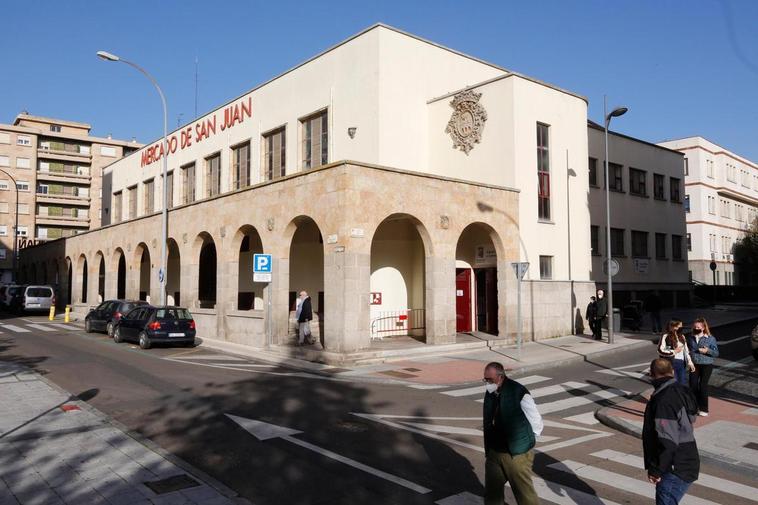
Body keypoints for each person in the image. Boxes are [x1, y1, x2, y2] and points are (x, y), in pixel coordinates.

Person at [482, 362, 542, 505]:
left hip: (516, 454)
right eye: (485, 379)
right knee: (492, 494)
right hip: (494, 452)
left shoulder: (518, 391)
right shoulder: (491, 391)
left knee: (525, 495)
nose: (487, 383)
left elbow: (536, 421)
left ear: (500, 376)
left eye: (490, 379)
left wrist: (524, 444)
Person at [643, 358, 699, 505]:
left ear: (652, 374)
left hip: (675, 466)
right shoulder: (682, 390)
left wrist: (656, 470)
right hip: (687, 458)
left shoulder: (664, 400)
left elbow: (668, 441)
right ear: (673, 371)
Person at [688, 317, 719, 416]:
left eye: (698, 327)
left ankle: (704, 409)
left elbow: (716, 353)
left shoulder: (710, 339)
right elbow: (688, 350)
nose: (695, 328)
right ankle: (693, 407)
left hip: (706, 364)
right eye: (694, 327)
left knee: (703, 386)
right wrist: (689, 361)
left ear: (703, 328)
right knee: (692, 385)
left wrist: (707, 351)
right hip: (694, 364)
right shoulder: (691, 338)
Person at [657, 320, 695, 385]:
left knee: (682, 383)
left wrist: (690, 362)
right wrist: (674, 351)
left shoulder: (682, 336)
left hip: (682, 363)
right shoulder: (666, 336)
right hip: (671, 363)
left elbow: (686, 350)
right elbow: (660, 350)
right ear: (672, 326)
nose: (681, 328)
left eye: (681, 326)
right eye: (679, 326)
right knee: (673, 383)